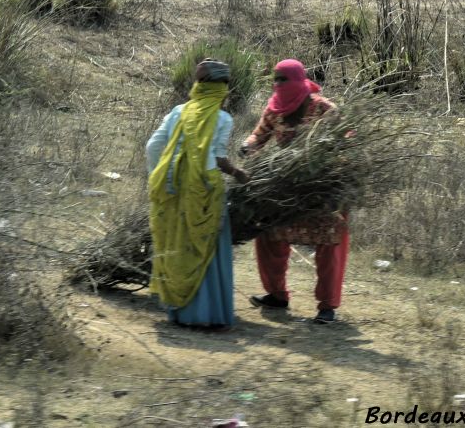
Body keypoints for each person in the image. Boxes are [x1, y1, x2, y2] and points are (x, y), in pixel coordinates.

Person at [240, 58, 349, 324]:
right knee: (268, 233)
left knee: (329, 240)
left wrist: (328, 160)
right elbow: (260, 135)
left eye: (283, 79)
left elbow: (347, 140)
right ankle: (277, 294)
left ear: (299, 81)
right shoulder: (274, 109)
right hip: (287, 186)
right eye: (275, 79)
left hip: (322, 189)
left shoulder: (324, 108)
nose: (278, 84)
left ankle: (327, 306)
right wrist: (248, 145)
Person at [146, 59, 249, 329]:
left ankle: (179, 311)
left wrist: (161, 176)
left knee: (178, 245)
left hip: (174, 189)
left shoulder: (178, 112)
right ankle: (208, 313)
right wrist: (238, 173)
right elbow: (218, 159)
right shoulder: (223, 118)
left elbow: (152, 147)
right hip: (206, 192)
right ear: (222, 87)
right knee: (205, 247)